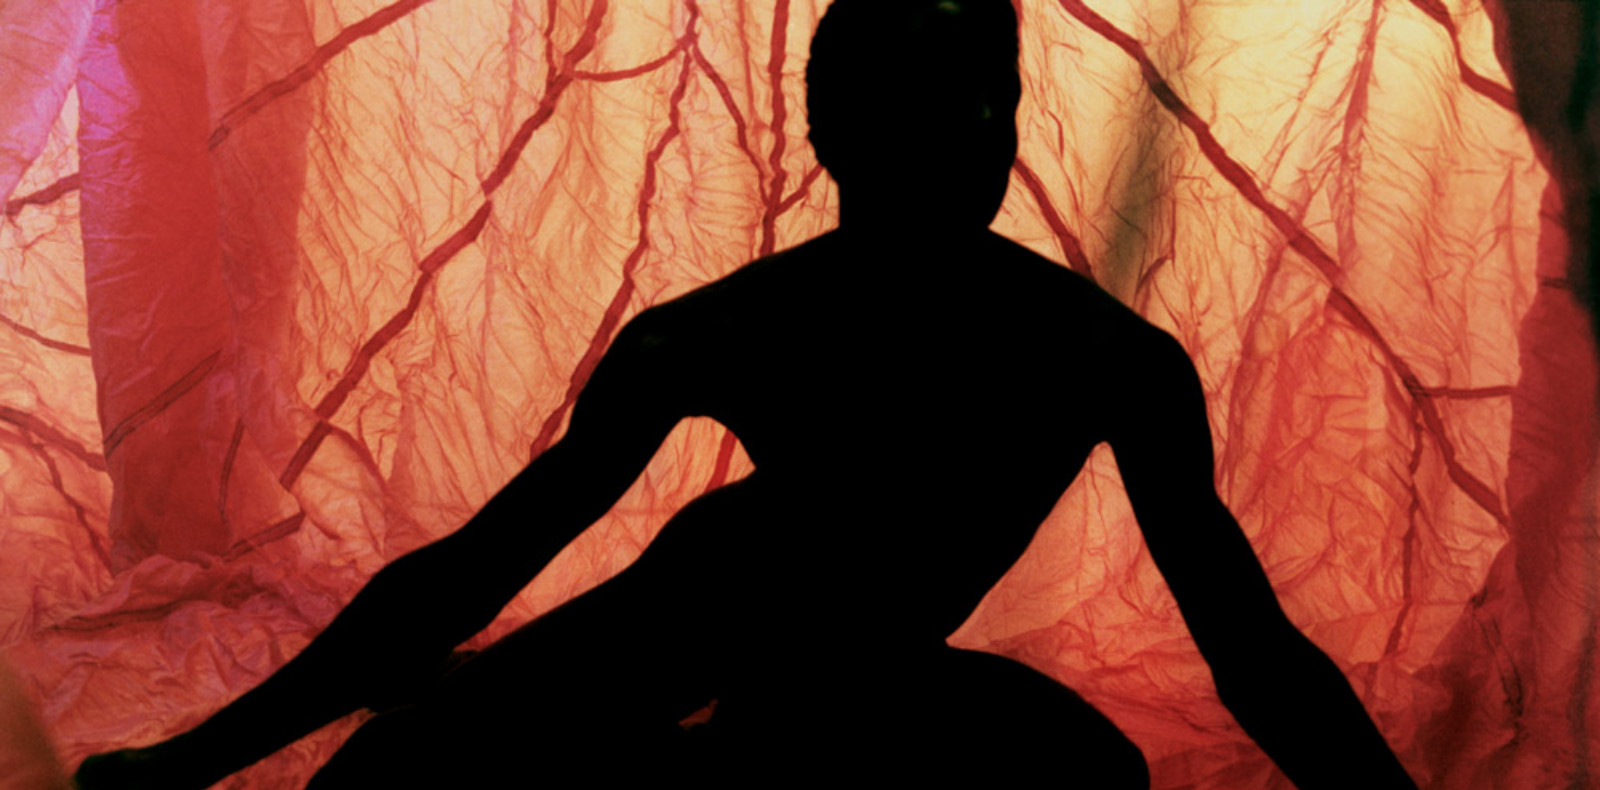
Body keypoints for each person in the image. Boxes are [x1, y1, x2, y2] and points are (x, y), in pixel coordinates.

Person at [73, 1, 1418, 787]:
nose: (960, 136)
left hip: (847, 682)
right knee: (393, 776)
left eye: (984, 99)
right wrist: (188, 763)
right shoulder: (712, 336)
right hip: (688, 619)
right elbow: (473, 564)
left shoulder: (1107, 359)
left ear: (1014, 115)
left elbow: (1255, 650)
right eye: (911, 101)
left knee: (1091, 777)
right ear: (831, 130)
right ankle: (482, 703)